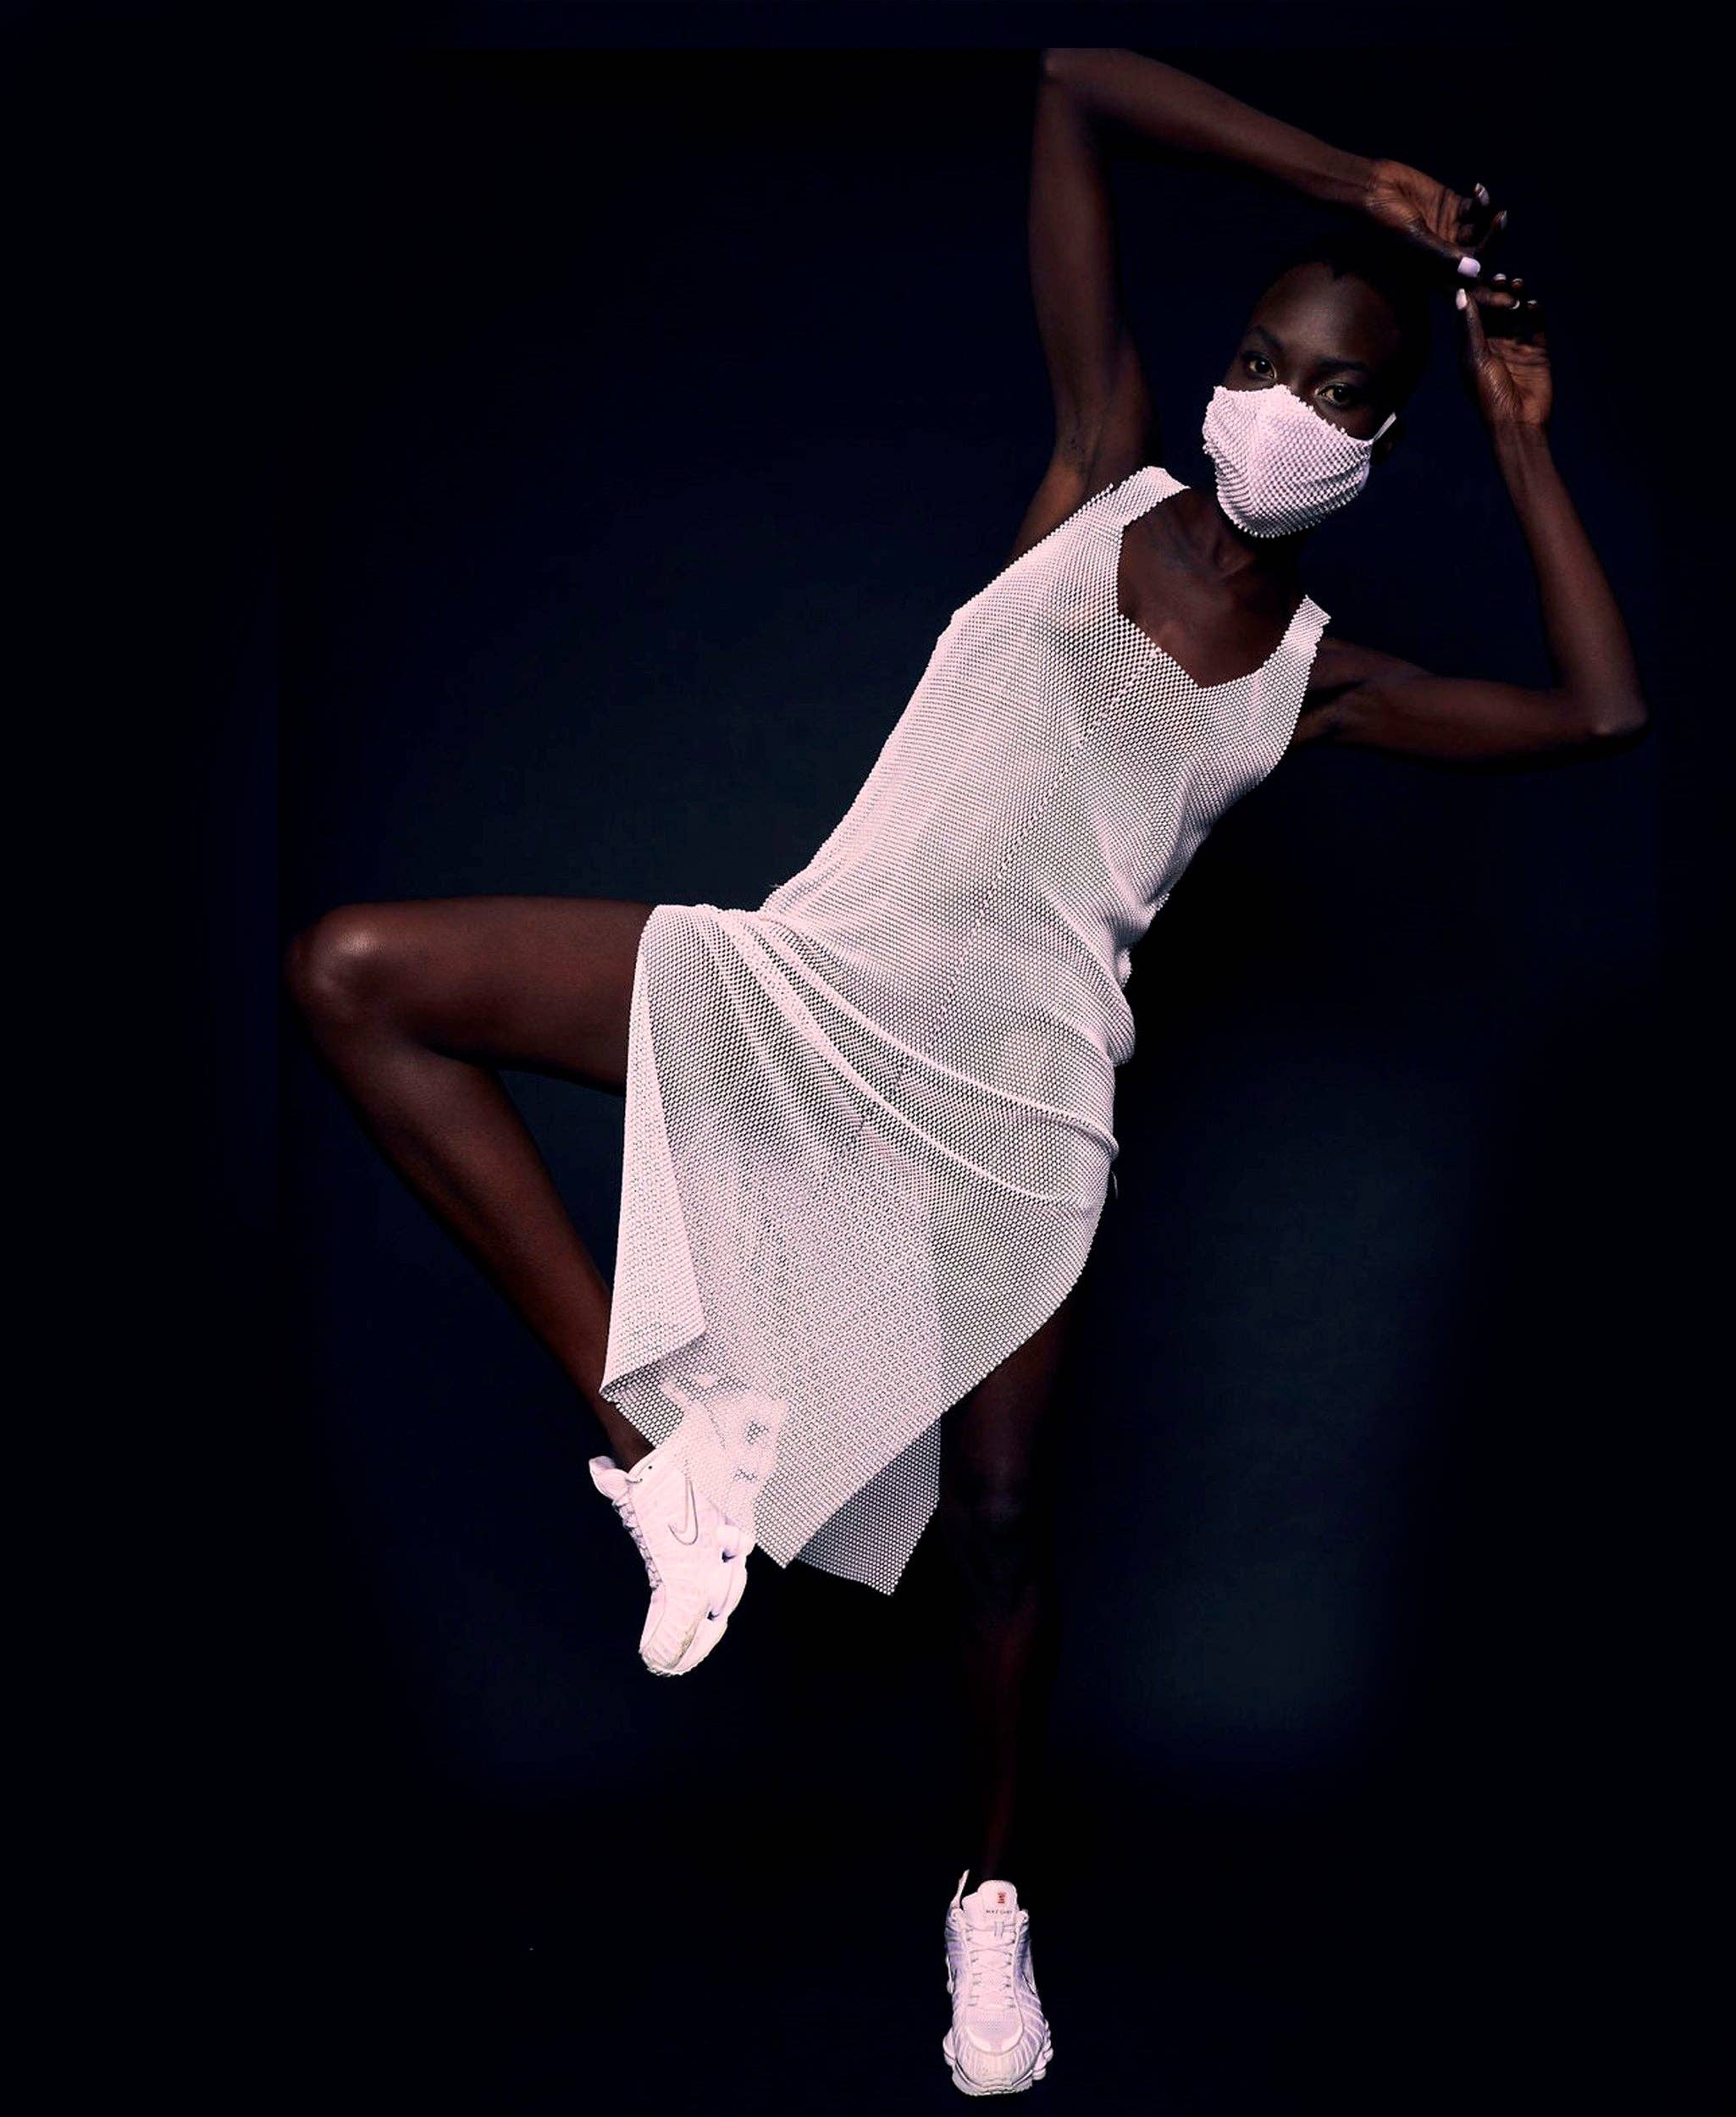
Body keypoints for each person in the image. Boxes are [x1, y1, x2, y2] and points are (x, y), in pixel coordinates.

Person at [284, 47, 1649, 2098]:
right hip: (813, 989)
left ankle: (988, 1902)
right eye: (1258, 358)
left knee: (999, 1527)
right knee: (356, 974)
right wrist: (1349, 179)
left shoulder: (1320, 683)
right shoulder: (1093, 478)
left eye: (1334, 388)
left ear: (1378, 439)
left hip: (1018, 1116)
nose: (1275, 403)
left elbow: (1600, 712)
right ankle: (668, 1445)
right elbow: (1074, 85)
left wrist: (1523, 436)